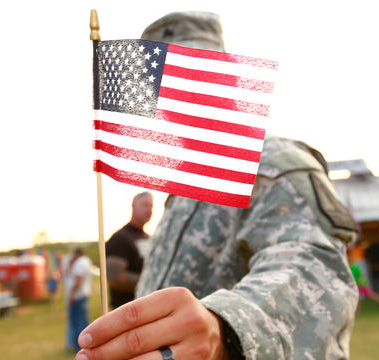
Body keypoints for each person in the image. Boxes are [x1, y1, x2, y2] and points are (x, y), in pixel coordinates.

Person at [76, 11, 359, 360]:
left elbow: (314, 269)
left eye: (191, 78)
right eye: (161, 89)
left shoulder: (272, 163)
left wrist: (225, 328)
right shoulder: (179, 194)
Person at [105, 191, 153, 309]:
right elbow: (115, 278)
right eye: (145, 205)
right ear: (133, 206)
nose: (149, 210)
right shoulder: (120, 238)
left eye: (151, 206)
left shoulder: (149, 238)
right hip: (127, 311)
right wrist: (152, 280)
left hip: (148, 308)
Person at [62, 248, 92, 353]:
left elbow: (78, 281)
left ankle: (79, 346)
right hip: (82, 295)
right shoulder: (86, 261)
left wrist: (71, 295)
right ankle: (82, 344)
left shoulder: (80, 263)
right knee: (82, 321)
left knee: (78, 322)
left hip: (77, 297)